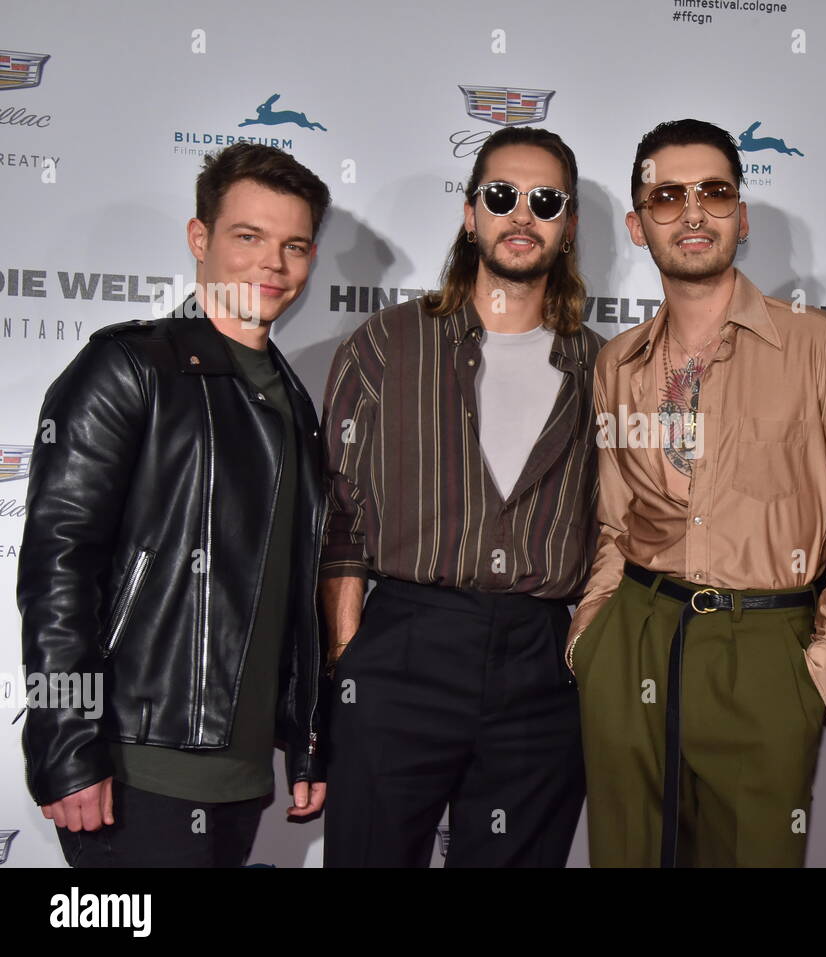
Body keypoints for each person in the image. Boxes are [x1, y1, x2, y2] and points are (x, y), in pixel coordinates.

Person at [567, 119, 826, 867]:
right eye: (667, 195)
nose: (692, 213)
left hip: (766, 653)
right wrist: (592, 638)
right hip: (634, 643)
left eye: (714, 192)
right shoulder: (617, 363)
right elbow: (612, 523)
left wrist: (820, 669)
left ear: (741, 217)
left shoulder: (816, 343)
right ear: (637, 224)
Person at [18, 142, 332, 867]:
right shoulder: (130, 366)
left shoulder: (293, 400)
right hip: (137, 766)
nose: (272, 266)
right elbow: (58, 566)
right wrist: (68, 743)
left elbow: (291, 593)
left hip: (243, 775)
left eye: (293, 246)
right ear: (201, 239)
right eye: (247, 237)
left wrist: (309, 738)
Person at [320, 126, 602, 867]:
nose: (521, 215)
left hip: (543, 662)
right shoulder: (386, 344)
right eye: (501, 195)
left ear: (568, 226)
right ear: (470, 213)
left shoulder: (606, 366)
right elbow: (339, 514)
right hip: (404, 644)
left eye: (546, 201)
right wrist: (351, 656)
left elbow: (620, 526)